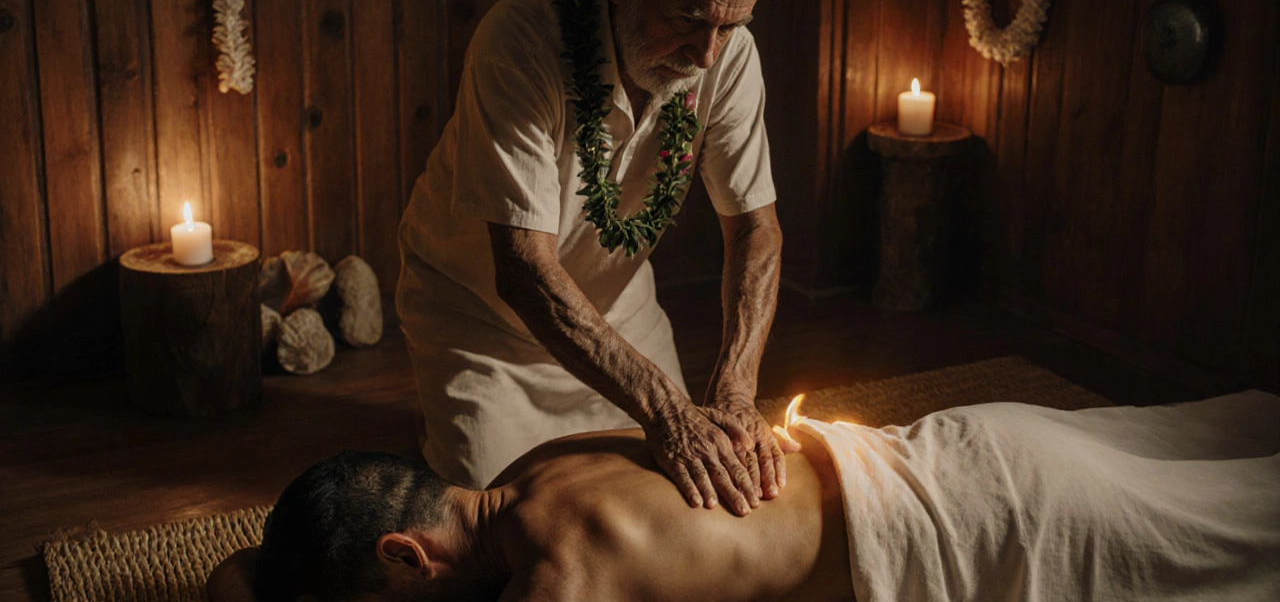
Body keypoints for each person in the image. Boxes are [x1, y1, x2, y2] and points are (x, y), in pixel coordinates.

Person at [395, 0, 789, 514]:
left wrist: (736, 391)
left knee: (681, 502)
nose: (705, 54)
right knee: (498, 518)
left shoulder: (725, 54)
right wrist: (665, 407)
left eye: (730, 25)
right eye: (688, 19)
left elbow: (755, 229)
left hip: (618, 316)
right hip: (478, 317)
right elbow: (523, 269)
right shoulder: (520, 38)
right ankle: (443, 418)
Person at [208, 391, 1280, 602]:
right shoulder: (544, 461)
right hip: (967, 442)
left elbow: (231, 583)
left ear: (407, 555)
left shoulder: (563, 583)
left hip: (981, 535)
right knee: (1234, 446)